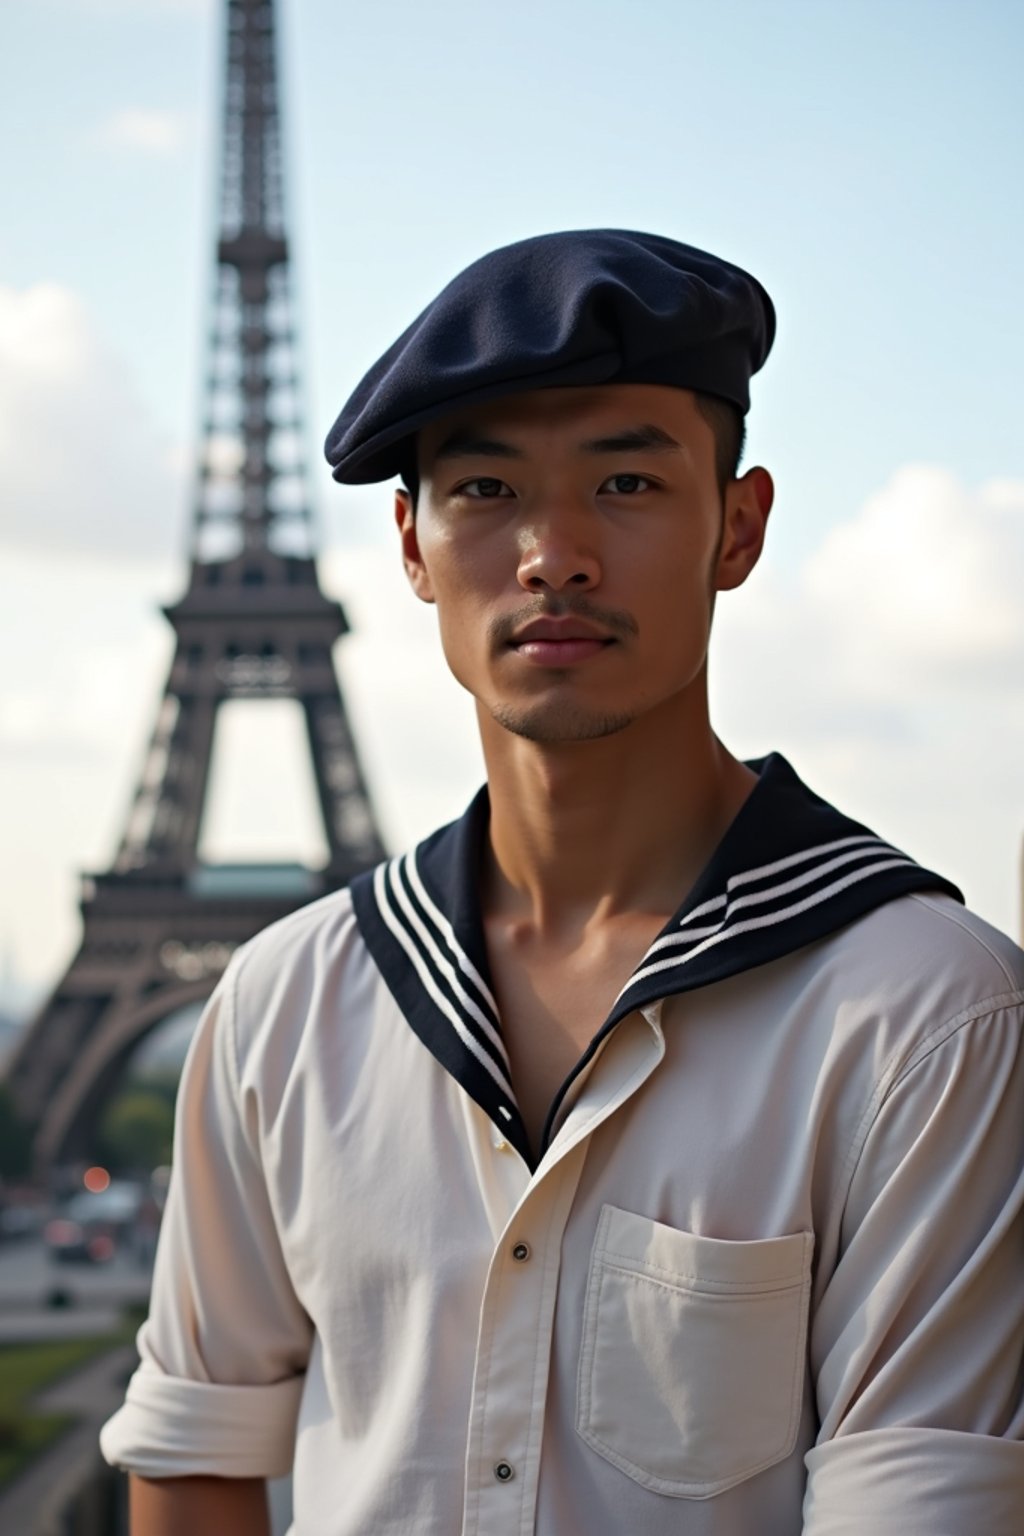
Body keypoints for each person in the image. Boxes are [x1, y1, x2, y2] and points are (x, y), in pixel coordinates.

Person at [101, 230, 1024, 1535]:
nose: (555, 555)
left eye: (630, 482)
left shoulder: (933, 1017)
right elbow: (194, 1459)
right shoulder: (279, 1006)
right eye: (485, 490)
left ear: (739, 527)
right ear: (412, 544)